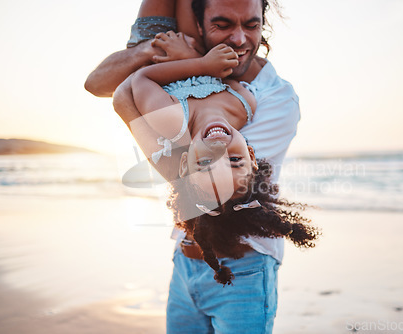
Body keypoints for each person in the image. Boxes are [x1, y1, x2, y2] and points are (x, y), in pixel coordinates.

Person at [85, 0, 302, 332]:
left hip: (246, 268)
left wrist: (189, 62)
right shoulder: (237, 97)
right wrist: (177, 56)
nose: (240, 40)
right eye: (223, 25)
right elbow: (98, 84)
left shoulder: (277, 99)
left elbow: (189, 184)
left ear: (263, 23)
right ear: (199, 27)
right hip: (186, 258)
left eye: (252, 25)